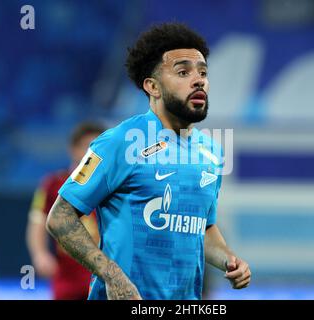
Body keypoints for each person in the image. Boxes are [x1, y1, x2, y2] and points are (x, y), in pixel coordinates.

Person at [46, 22, 251, 300]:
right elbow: (60, 217)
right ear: (152, 86)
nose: (198, 79)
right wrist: (112, 276)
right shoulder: (118, 142)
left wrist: (228, 259)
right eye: (183, 72)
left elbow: (203, 227)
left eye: (203, 72)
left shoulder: (211, 153)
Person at [26, 122, 105, 300]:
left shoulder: (114, 186)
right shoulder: (52, 184)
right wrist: (40, 254)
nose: (93, 153)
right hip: (67, 279)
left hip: (104, 278)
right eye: (87, 146)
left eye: (98, 146)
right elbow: (37, 222)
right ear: (73, 149)